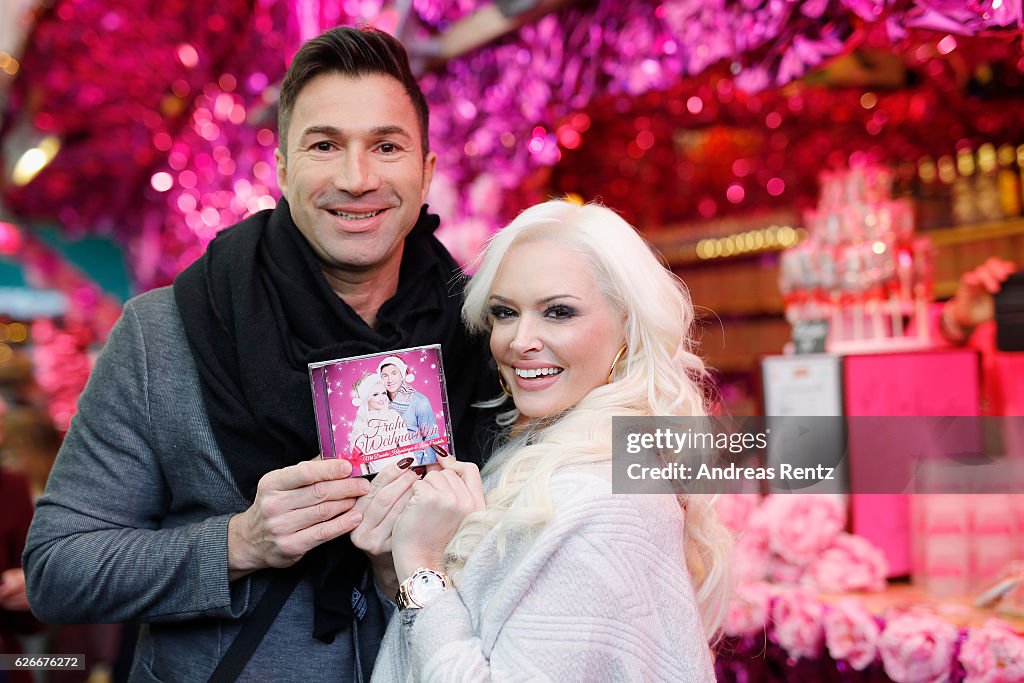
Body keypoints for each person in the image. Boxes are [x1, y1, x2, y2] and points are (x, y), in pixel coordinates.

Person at [24, 26, 495, 682]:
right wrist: (237, 543)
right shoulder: (167, 333)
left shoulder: (487, 333)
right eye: (325, 145)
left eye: (386, 146)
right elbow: (56, 570)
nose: (356, 178)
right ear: (280, 168)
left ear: (426, 172)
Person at [355, 201, 732, 680]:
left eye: (558, 312)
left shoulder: (601, 503)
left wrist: (421, 566)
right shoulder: (558, 457)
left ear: (627, 326)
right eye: (505, 313)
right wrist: (399, 568)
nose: (519, 340)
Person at [377, 355, 438, 466]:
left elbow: (431, 437)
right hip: (388, 465)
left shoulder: (420, 401)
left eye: (394, 373)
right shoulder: (378, 403)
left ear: (402, 374)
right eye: (385, 375)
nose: (390, 380)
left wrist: (425, 466)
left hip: (415, 463)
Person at [349, 374, 410, 475]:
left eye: (383, 393)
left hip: (401, 470)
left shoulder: (393, 416)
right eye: (375, 394)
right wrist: (367, 478)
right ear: (366, 397)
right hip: (378, 477)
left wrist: (413, 469)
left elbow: (406, 447)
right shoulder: (360, 424)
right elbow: (359, 458)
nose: (382, 398)